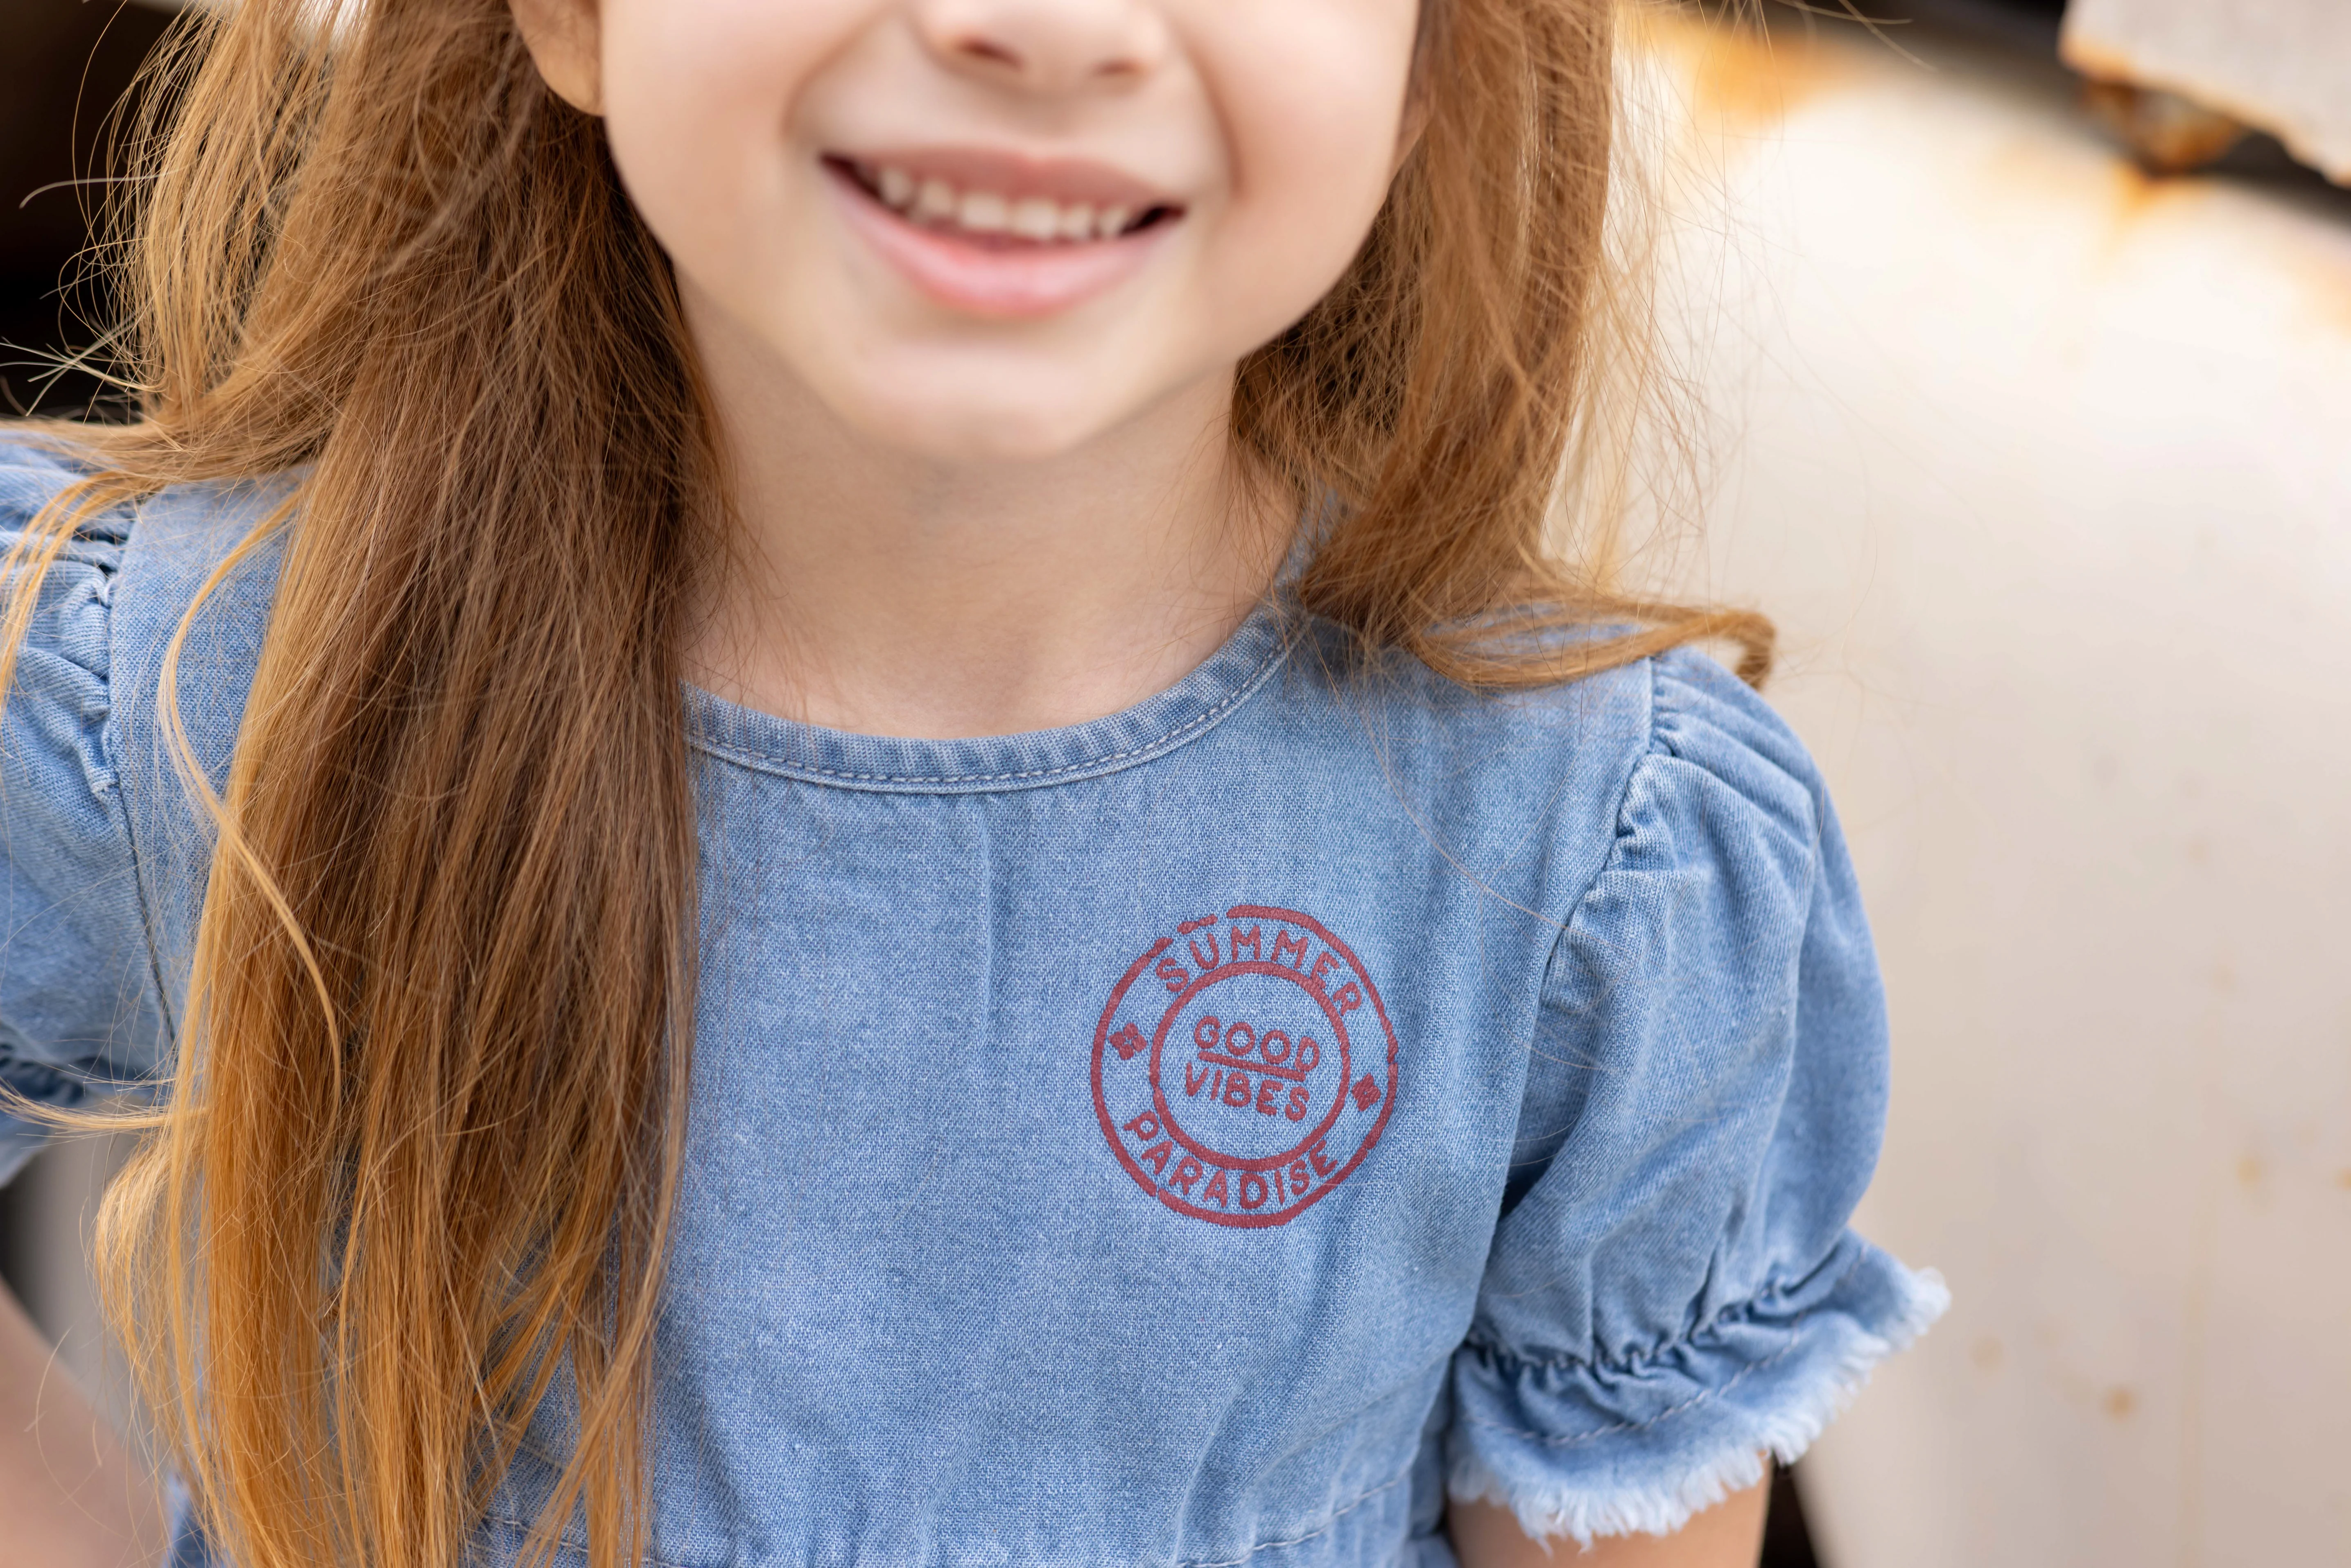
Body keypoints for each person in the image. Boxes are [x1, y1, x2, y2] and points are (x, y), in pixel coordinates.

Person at [0, 0, 1948, 1565]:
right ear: (567, 16)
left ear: (1437, 56)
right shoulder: (212, 680)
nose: (1047, 30)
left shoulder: (1593, 856)